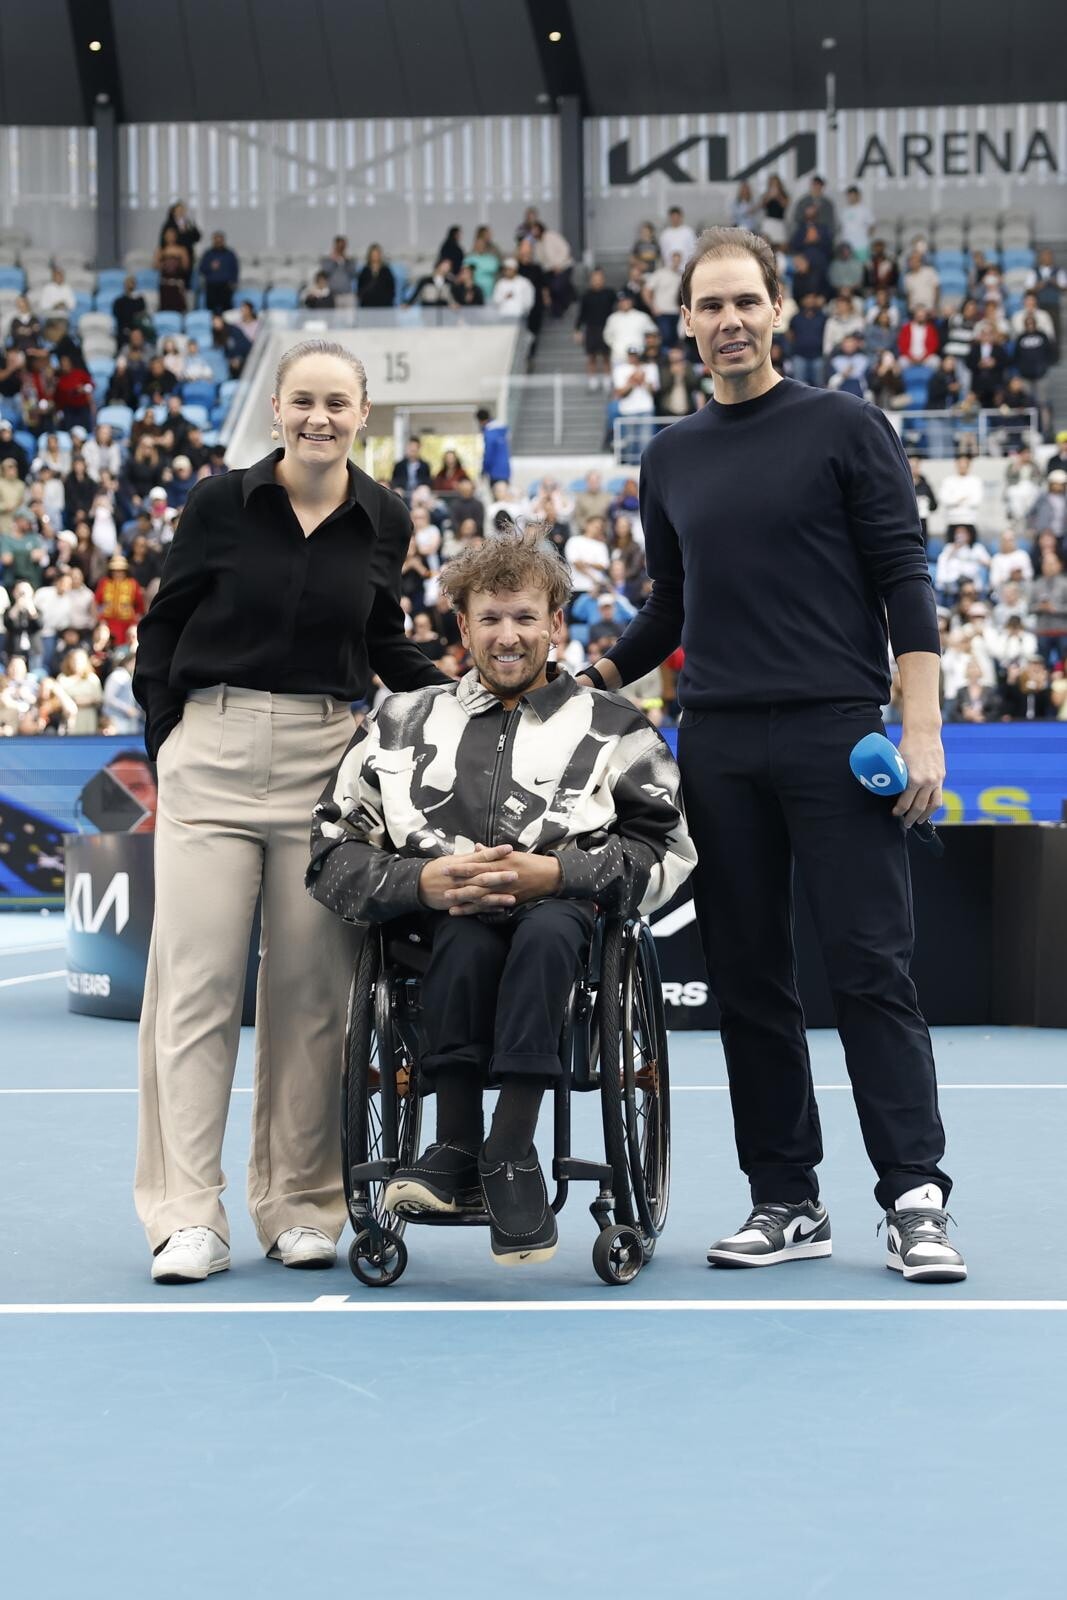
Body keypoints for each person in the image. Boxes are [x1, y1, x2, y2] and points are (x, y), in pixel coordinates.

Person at [576, 226, 966, 1283]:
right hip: (716, 744)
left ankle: (914, 1197)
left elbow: (904, 576)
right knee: (748, 980)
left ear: (778, 310)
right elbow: (670, 605)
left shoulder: (846, 425)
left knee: (870, 969)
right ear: (685, 323)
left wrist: (920, 725)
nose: (728, 321)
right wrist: (590, 680)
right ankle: (785, 1197)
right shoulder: (668, 455)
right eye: (708, 305)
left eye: (745, 301)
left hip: (837, 733)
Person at [130, 338, 449, 1286]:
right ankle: (186, 1215)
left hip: (324, 759)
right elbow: (162, 630)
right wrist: (170, 742)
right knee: (196, 991)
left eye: (337, 404)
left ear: (362, 416)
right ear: (276, 409)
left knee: (314, 997)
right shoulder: (218, 504)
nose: (319, 418)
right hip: (211, 753)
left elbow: (381, 639)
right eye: (303, 401)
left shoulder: (385, 517)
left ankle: (300, 1206)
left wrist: (468, 694)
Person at [306, 529, 695, 1265]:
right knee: (460, 929)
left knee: (546, 930)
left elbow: (665, 849)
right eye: (489, 618)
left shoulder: (614, 725)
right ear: (462, 627)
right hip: (435, 925)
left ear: (556, 625)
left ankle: (510, 1145)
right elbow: (330, 849)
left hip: (563, 921)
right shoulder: (399, 721)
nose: (507, 635)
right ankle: (455, 1145)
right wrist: (418, 881)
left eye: (524, 617)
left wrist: (560, 874)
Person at [198, 232, 239, 314]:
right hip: (211, 287)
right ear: (213, 241)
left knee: (227, 311)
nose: (219, 243)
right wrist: (210, 267)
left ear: (223, 241)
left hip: (226, 287)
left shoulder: (230, 254)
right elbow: (201, 269)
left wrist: (233, 282)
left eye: (220, 241)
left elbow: (235, 269)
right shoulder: (208, 254)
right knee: (211, 310)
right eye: (217, 241)